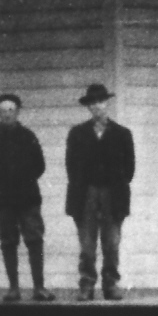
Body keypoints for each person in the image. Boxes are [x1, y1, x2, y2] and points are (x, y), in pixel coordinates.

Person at [0, 93, 53, 302]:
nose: (7, 114)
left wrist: (23, 182)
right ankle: (13, 288)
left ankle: (39, 287)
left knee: (34, 240)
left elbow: (39, 165)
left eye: (11, 110)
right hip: (2, 201)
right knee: (8, 241)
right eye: (3, 110)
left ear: (18, 112)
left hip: (28, 199)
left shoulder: (28, 137)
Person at [65, 83, 135, 301]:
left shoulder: (122, 134)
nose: (97, 106)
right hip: (86, 194)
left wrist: (113, 186)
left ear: (107, 104)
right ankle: (86, 284)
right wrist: (85, 188)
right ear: (88, 107)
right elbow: (71, 166)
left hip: (112, 195)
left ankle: (110, 284)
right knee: (87, 245)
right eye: (93, 103)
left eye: (101, 102)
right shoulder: (77, 133)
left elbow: (129, 169)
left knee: (111, 243)